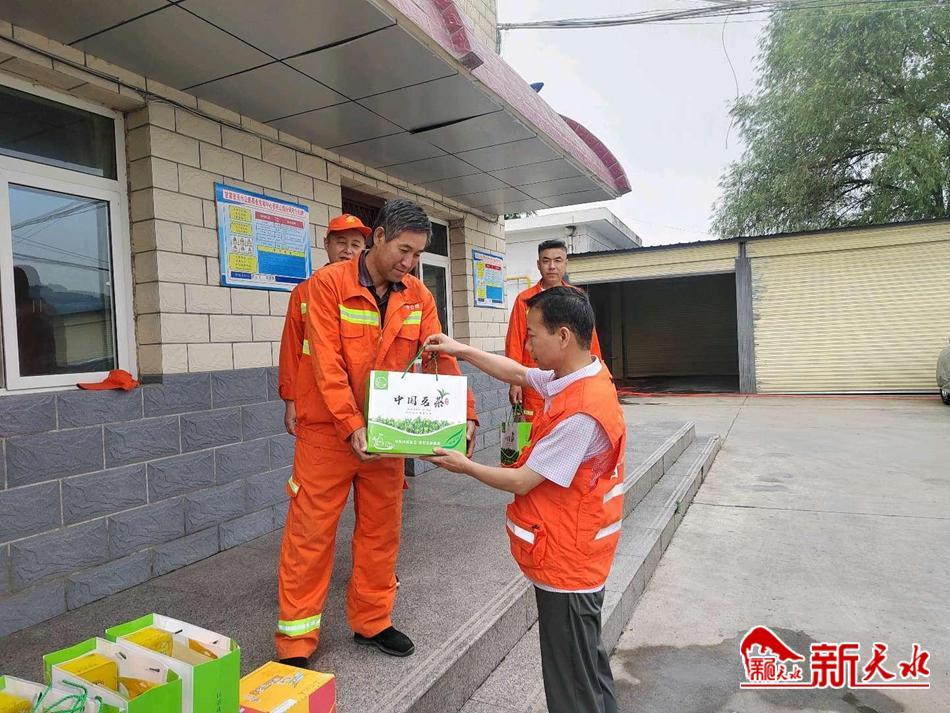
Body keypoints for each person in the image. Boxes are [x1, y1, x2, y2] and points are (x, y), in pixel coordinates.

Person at [275, 199, 478, 667]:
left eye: (418, 255)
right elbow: (326, 365)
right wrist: (351, 425)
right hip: (327, 434)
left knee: (380, 533)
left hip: (389, 434)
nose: (410, 263)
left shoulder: (418, 295)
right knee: (310, 536)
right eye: (404, 251)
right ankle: (295, 642)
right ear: (380, 237)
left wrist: (463, 414)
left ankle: (372, 621)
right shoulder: (327, 285)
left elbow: (438, 355)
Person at [424, 287, 625, 713]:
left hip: (569, 563)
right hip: (579, 551)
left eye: (533, 335)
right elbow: (517, 373)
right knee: (587, 668)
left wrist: (465, 465)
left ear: (563, 336)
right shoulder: (580, 374)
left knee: (571, 683)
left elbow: (522, 481)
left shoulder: (582, 413)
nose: (527, 345)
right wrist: (460, 349)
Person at [277, 214, 371, 435]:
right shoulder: (303, 292)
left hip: (365, 404)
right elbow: (291, 350)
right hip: (316, 405)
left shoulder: (373, 292)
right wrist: (290, 401)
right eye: (341, 242)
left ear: (364, 249)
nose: (348, 250)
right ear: (326, 243)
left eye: (355, 245)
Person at [505, 239, 603, 421]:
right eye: (546, 261)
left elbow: (589, 339)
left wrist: (600, 373)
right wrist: (515, 382)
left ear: (565, 264)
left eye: (557, 260)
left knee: (569, 422)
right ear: (538, 264)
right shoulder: (525, 300)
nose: (552, 266)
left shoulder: (577, 298)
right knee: (534, 430)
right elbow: (515, 341)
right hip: (535, 381)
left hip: (573, 378)